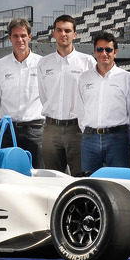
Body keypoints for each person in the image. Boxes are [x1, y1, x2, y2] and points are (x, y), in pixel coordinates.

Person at [37, 15, 95, 176]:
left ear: (75, 35)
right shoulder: (44, 63)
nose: (63, 34)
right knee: (51, 180)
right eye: (59, 30)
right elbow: (44, 96)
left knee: (82, 178)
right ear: (53, 34)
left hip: (77, 130)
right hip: (51, 130)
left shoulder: (87, 62)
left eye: (68, 30)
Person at [76, 31, 130, 174]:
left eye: (108, 50)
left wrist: (124, 139)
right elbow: (81, 111)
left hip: (118, 140)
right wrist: (89, 132)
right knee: (90, 184)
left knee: (120, 183)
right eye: (100, 49)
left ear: (115, 52)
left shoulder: (126, 78)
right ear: (94, 52)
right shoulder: (84, 78)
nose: (104, 53)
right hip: (89, 139)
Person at [0, 18, 44, 168]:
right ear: (9, 38)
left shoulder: (42, 64)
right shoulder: (0, 66)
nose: (19, 39)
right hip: (8, 131)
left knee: (38, 175)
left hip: (36, 129)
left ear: (30, 36)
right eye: (15, 36)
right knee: (6, 175)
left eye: (23, 35)